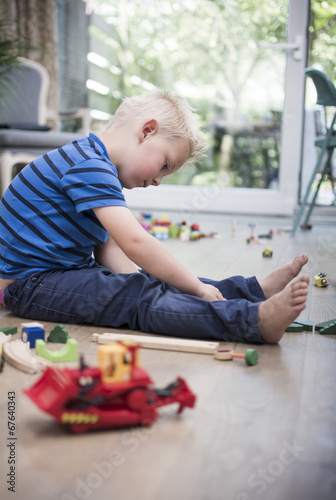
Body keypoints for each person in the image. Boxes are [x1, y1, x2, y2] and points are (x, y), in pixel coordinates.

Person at [0, 90, 309, 344]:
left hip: (53, 277)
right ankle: (253, 321)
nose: (160, 180)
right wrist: (185, 289)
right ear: (147, 131)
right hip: (28, 286)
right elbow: (135, 241)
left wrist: (140, 280)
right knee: (140, 297)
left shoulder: (92, 162)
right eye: (164, 164)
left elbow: (109, 246)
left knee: (150, 283)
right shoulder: (89, 165)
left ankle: (252, 293)